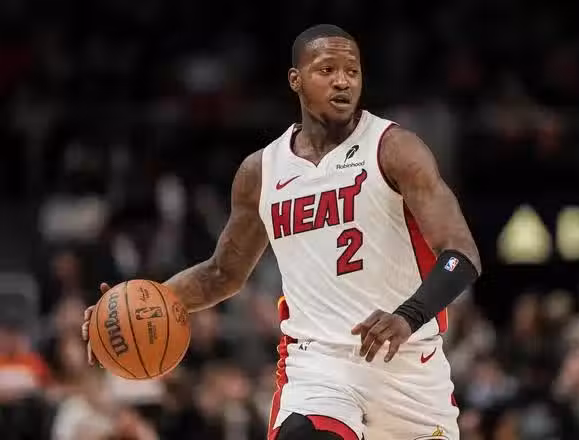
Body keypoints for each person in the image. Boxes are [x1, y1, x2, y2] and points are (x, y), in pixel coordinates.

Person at [81, 24, 481, 440]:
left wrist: (407, 316)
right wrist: (138, 307)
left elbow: (462, 254)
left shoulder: (394, 148)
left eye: (352, 71)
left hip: (409, 368)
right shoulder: (262, 171)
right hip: (319, 368)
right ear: (296, 79)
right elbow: (222, 273)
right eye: (327, 70)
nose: (342, 81)